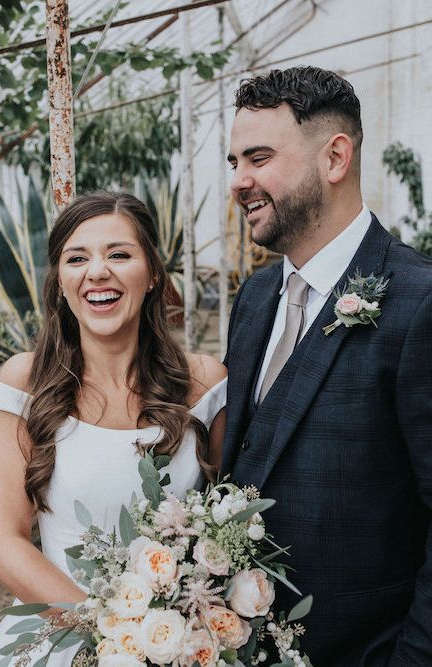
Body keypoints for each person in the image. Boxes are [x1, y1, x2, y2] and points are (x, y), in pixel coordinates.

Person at [223, 65, 432, 665]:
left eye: (258, 158)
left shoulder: (419, 303)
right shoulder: (256, 300)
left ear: (335, 157)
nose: (240, 181)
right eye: (234, 162)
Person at [0, 192, 227, 665]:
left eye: (119, 254)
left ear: (152, 273)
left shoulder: (205, 385)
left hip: (176, 642)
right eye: (77, 258)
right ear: (60, 281)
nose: (97, 272)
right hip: (59, 633)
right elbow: (2, 541)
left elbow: (224, 522)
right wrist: (114, 637)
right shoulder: (24, 383)